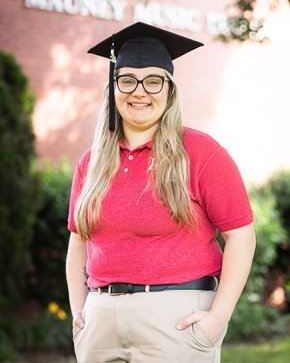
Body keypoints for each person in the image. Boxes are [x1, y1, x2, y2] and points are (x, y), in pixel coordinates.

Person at [66, 22, 256, 363]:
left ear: (169, 90)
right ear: (113, 88)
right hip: (101, 322)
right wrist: (80, 310)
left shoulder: (200, 152)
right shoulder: (91, 162)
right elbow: (78, 241)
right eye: (127, 81)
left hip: (175, 322)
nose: (140, 92)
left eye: (153, 81)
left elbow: (241, 236)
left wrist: (218, 317)